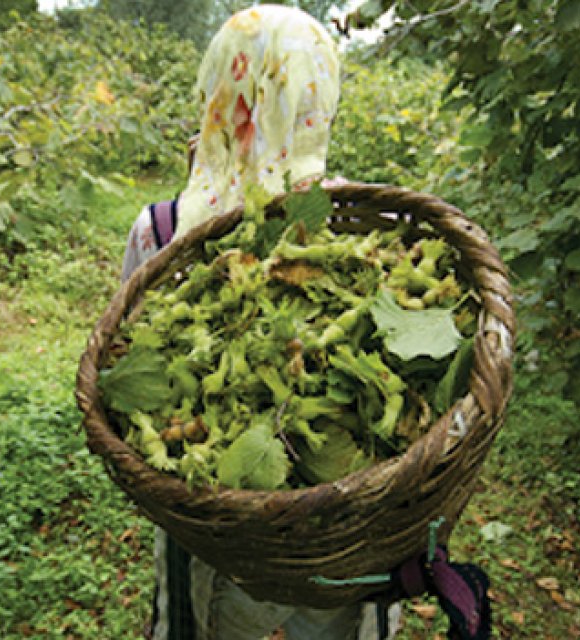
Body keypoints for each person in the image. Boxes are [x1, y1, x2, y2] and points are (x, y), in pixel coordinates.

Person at [119, 6, 402, 639]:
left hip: (216, 533)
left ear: (215, 92)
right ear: (319, 101)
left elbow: (123, 362)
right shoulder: (361, 222)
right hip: (340, 529)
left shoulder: (161, 229)